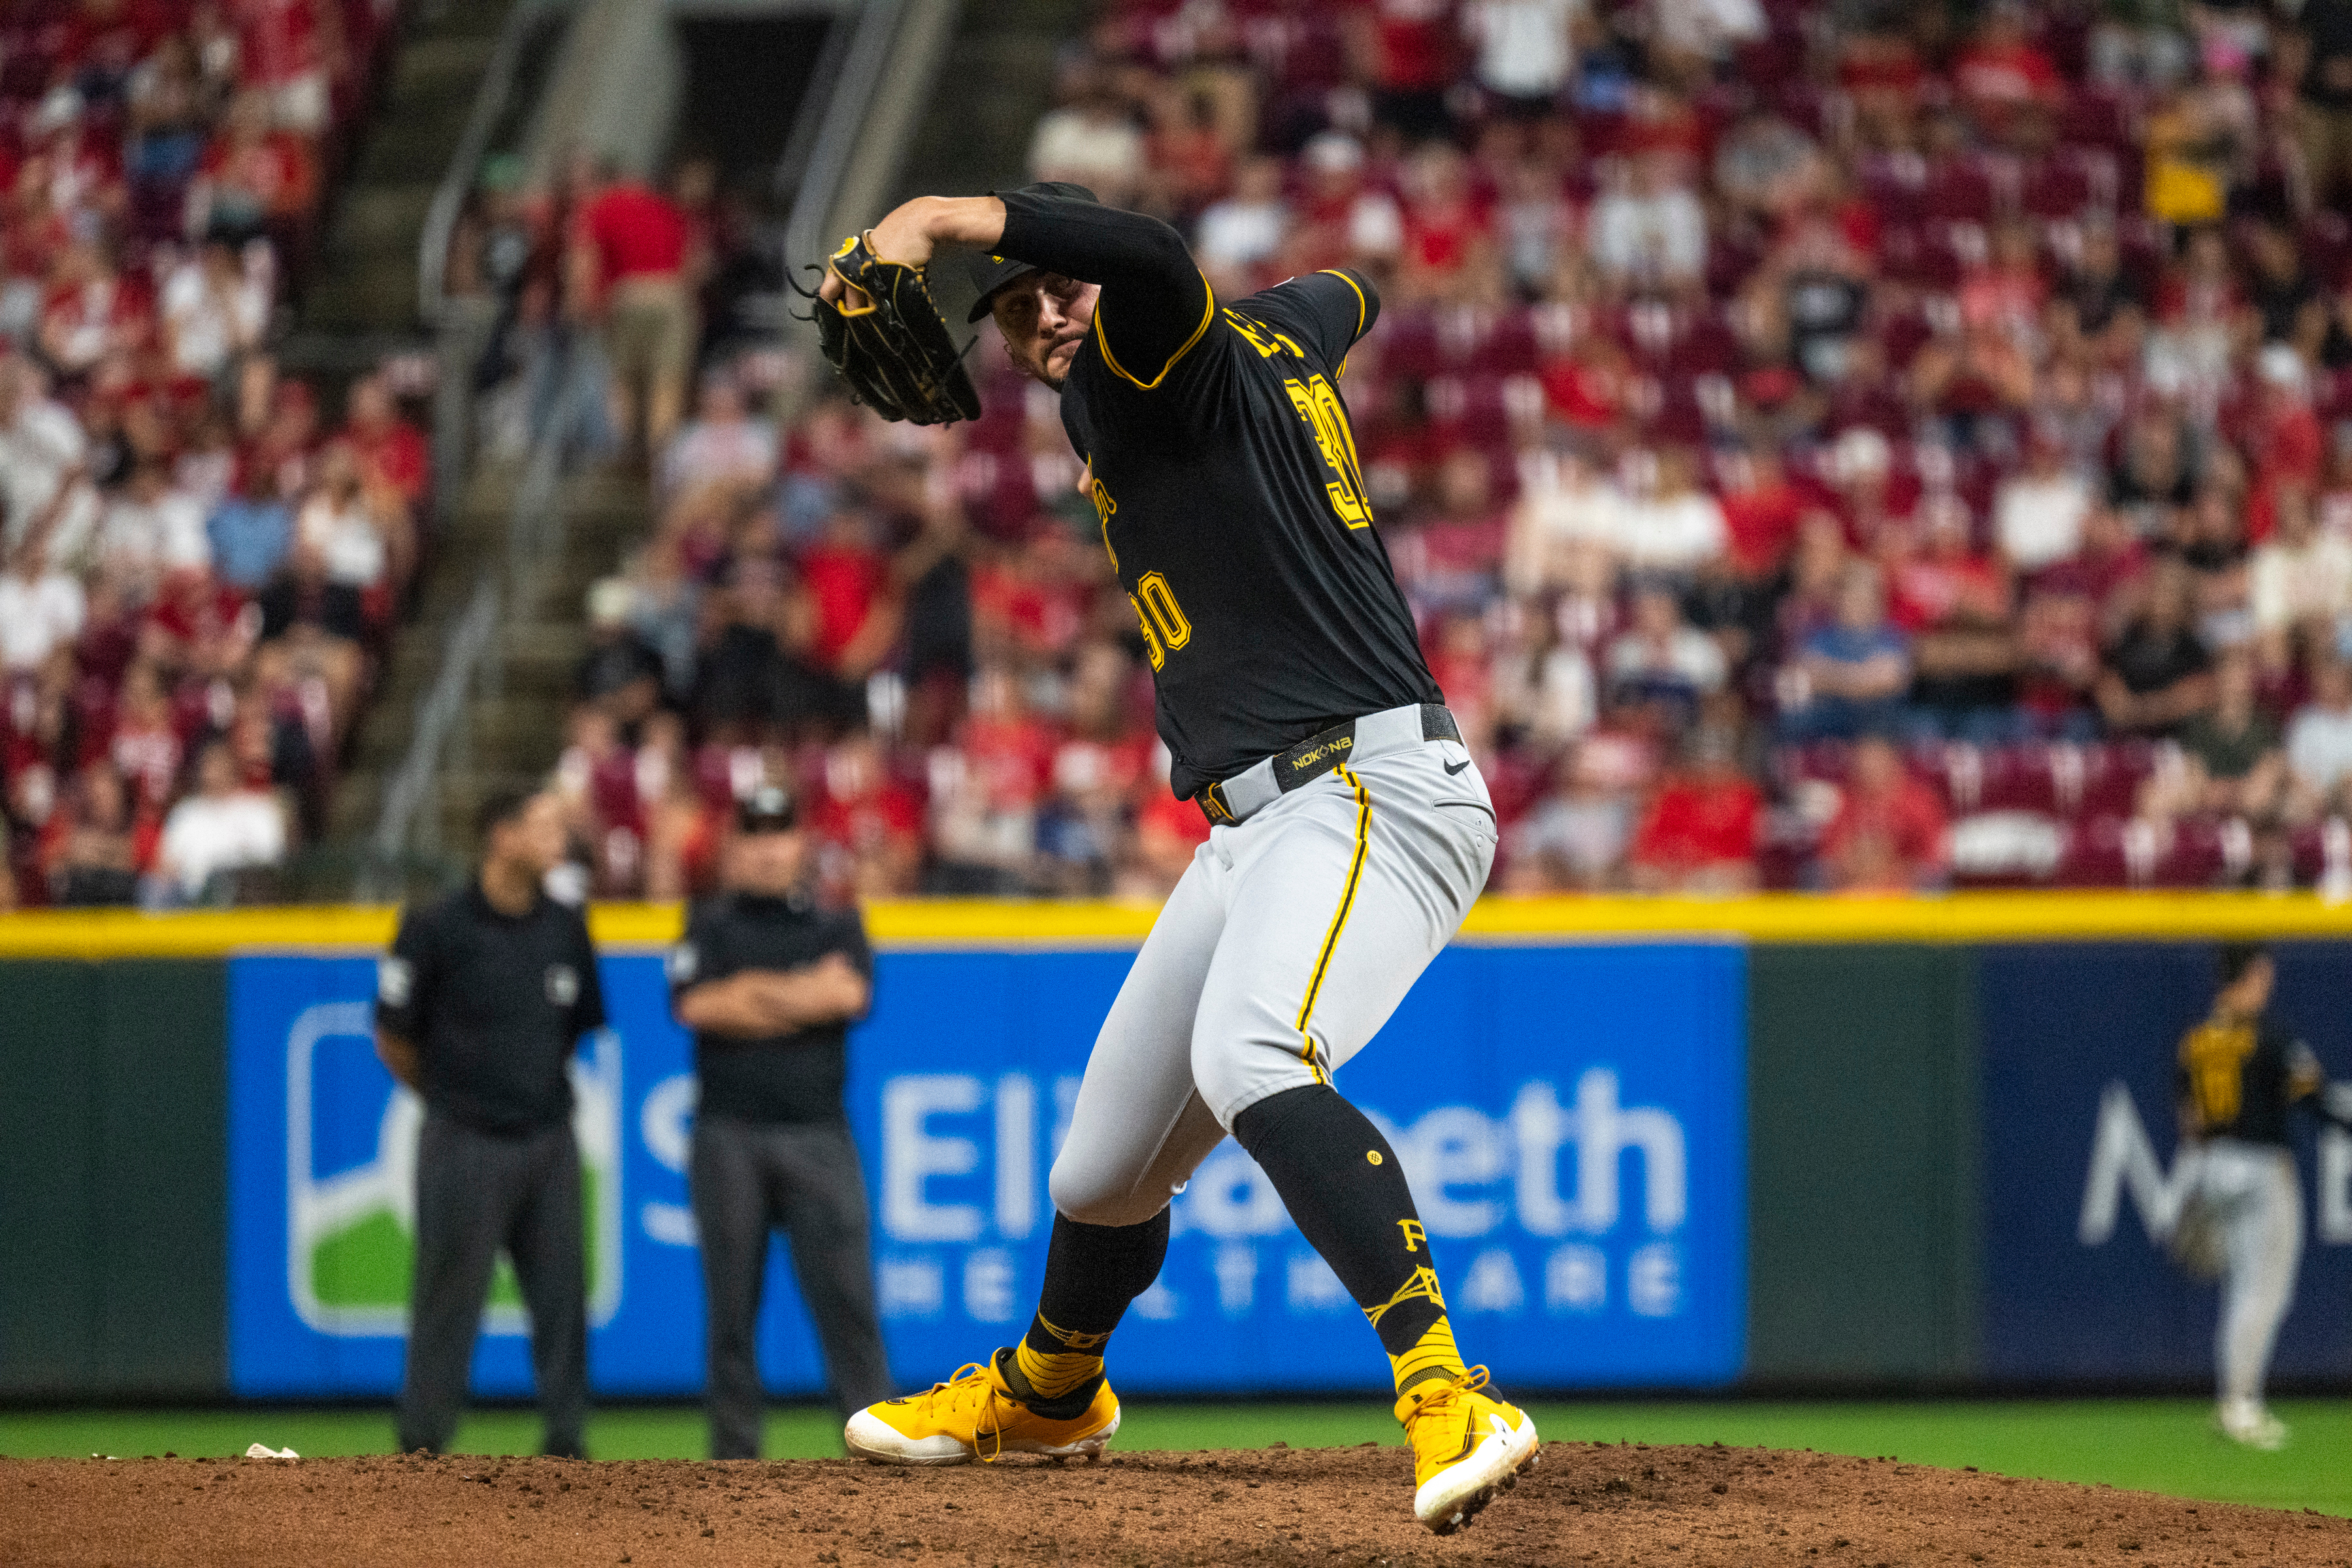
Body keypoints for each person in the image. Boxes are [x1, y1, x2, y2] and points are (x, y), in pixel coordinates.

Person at [819, 182, 1535, 1533]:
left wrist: (930, 221)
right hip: (1258, 821)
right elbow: (1344, 298)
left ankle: (1450, 1390)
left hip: (1370, 786)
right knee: (1097, 1177)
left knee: (1254, 1057)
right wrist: (1359, 290)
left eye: (1056, 284)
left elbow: (1145, 255)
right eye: (1017, 308)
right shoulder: (1272, 332)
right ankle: (1052, 1387)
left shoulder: (1153, 353)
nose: (1044, 316)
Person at [374, 787, 605, 1460]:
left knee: (562, 1299)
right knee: (448, 1301)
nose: (558, 840)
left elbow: (577, 1027)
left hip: (547, 1139)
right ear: (502, 837)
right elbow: (394, 1037)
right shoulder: (437, 925)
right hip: (463, 1138)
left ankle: (568, 1444)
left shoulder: (566, 925)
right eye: (543, 827)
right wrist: (451, 1095)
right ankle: (422, 1444)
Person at [667, 785, 892, 1459]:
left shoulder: (835, 921)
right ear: (734, 846)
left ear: (800, 843)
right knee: (731, 1311)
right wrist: (803, 994)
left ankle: (877, 1448)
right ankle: (734, 1462)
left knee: (848, 1305)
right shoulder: (706, 922)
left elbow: (848, 995)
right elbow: (698, 1007)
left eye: (780, 833)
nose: (768, 849)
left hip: (819, 1133)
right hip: (727, 1135)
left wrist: (749, 993)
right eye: (754, 835)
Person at [2172, 944, 2338, 1449]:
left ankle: (2236, 1400)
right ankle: (2241, 1405)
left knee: (2240, 1292)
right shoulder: (2270, 1035)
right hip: (2263, 1167)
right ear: (2247, 977)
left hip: (2214, 1165)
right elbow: (2313, 1096)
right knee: (2264, 1293)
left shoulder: (2197, 1040)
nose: (2267, 984)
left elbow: (2190, 1120)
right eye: (2263, 974)